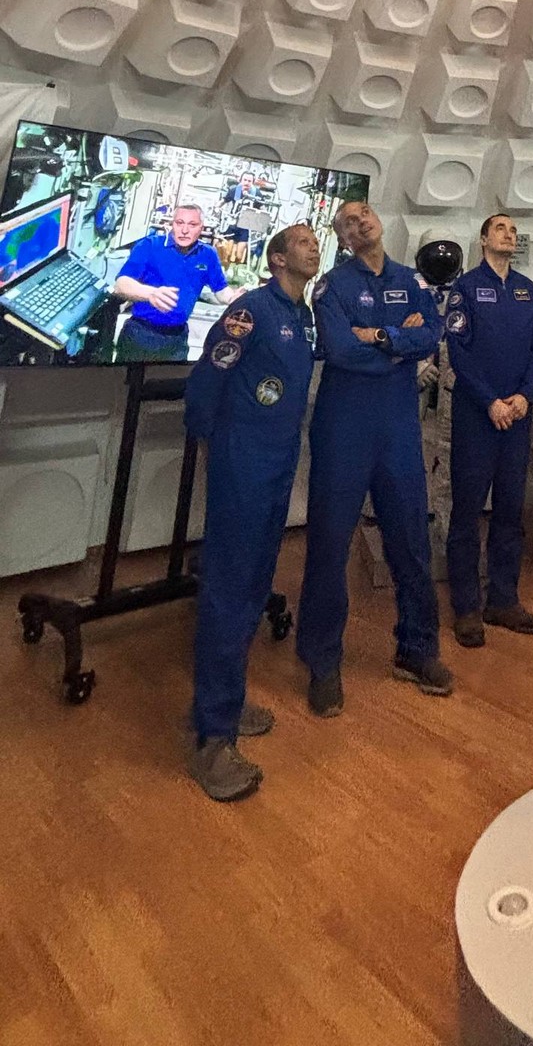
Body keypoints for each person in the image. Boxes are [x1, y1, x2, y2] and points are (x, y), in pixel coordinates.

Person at [295, 201, 453, 711]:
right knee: (329, 545)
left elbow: (431, 336)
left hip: (398, 429)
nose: (360, 220)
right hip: (344, 428)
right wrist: (400, 346)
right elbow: (341, 350)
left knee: (411, 541)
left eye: (365, 213)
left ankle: (417, 649)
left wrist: (381, 335)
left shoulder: (411, 280)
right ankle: (322, 662)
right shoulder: (331, 286)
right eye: (348, 221)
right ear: (343, 240)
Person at [184, 223, 321, 802]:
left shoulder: (302, 315)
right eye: (303, 241)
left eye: (316, 240)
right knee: (228, 588)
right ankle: (211, 740)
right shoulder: (251, 311)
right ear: (277, 259)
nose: (314, 246)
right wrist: (216, 447)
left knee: (253, 586)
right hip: (243, 461)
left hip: (277, 463)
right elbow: (208, 379)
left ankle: (226, 701)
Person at [444, 214, 533, 648]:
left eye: (513, 231)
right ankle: (467, 607)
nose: (509, 234)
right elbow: (459, 353)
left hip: (517, 419)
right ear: (484, 239)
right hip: (477, 417)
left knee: (510, 512)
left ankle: (503, 600)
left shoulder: (526, 289)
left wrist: (525, 395)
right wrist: (490, 401)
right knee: (467, 513)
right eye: (501, 229)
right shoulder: (465, 289)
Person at [113, 203, 230, 361]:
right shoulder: (149, 246)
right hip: (140, 334)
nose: (184, 230)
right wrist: (151, 293)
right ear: (172, 224)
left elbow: (221, 291)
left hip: (177, 340)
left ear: (201, 228)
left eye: (192, 224)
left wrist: (235, 298)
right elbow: (121, 285)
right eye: (179, 223)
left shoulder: (208, 254)